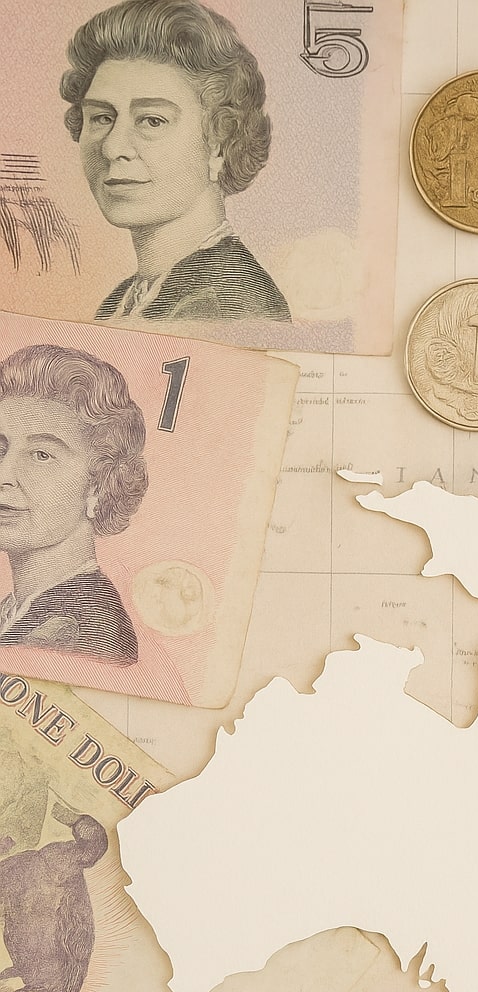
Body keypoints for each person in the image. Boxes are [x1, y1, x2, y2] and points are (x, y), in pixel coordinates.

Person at [61, 0, 291, 324]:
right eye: (101, 117)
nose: (113, 147)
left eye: (152, 120)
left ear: (220, 142)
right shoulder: (119, 302)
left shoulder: (232, 303)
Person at [0, 343, 146, 662]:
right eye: (0, 449)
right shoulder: (13, 611)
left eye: (41, 455)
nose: (3, 475)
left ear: (98, 486)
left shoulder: (90, 632)